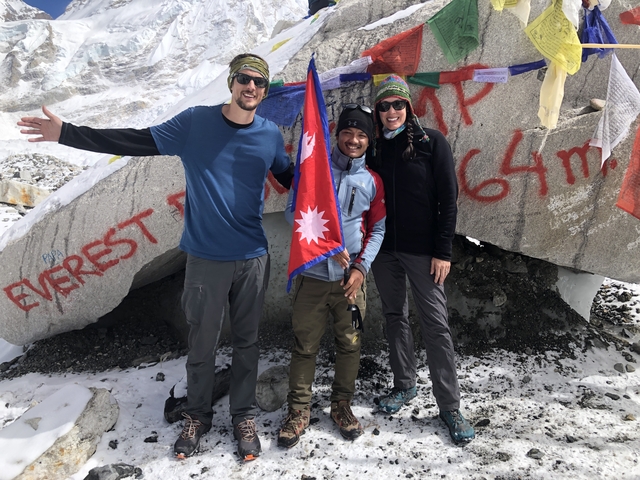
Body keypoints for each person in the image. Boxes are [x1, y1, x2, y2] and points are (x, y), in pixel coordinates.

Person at [17, 53, 294, 460]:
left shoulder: (269, 134)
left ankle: (243, 416)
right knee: (202, 344)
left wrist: (333, 175)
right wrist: (67, 133)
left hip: (252, 257)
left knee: (248, 342)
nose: (251, 87)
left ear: (265, 91)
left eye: (259, 83)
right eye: (244, 79)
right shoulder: (196, 123)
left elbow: (290, 176)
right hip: (205, 259)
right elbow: (135, 140)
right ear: (232, 83)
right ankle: (197, 415)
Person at [366, 75, 475, 444]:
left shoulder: (433, 143)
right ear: (377, 112)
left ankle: (449, 405)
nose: (391, 111)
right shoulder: (374, 149)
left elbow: (449, 199)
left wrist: (443, 251)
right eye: (384, 106)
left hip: (424, 253)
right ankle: (404, 384)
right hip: (384, 251)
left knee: (435, 324)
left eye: (398, 104)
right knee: (395, 316)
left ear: (408, 107)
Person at [277, 105, 386, 448]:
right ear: (337, 134)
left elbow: (378, 228)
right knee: (304, 345)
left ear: (369, 140)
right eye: (348, 133)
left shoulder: (372, 181)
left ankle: (342, 404)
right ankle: (298, 410)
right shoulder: (313, 172)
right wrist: (325, 245)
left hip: (350, 282)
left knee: (350, 343)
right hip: (312, 278)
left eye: (361, 135)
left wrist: (360, 267)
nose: (354, 140)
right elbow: (292, 214)